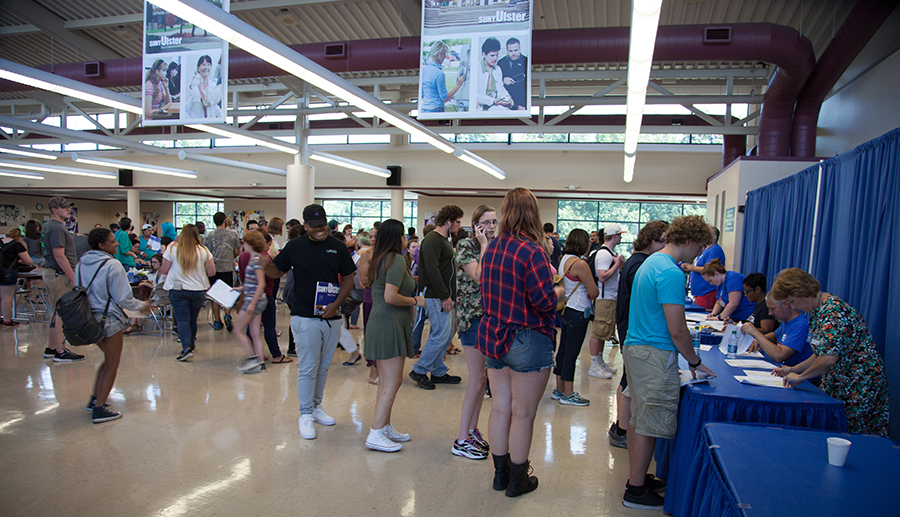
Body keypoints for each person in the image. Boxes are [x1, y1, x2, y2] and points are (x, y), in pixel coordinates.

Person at [622, 215, 716, 510]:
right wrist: (695, 360)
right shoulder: (672, 273)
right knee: (649, 423)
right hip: (655, 354)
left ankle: (637, 479)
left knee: (639, 420)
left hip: (637, 348)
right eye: (699, 247)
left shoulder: (651, 261)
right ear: (688, 240)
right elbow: (677, 328)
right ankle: (635, 491)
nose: (698, 254)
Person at [478, 188, 556, 498]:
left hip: (494, 335)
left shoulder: (494, 247)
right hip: (527, 337)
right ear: (533, 213)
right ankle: (518, 480)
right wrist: (559, 293)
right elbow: (544, 301)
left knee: (500, 409)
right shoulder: (532, 251)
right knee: (523, 414)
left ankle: (500, 475)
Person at [265, 204, 356, 440]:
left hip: (332, 316)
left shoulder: (337, 247)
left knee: (324, 367)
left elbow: (348, 279)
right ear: (305, 226)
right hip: (304, 316)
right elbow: (275, 271)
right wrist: (260, 260)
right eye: (314, 227)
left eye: (323, 226)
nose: (320, 231)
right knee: (308, 367)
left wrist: (336, 305)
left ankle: (316, 407)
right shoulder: (294, 247)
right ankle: (304, 414)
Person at [771, 268, 890, 435]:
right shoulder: (818, 312)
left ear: (801, 292)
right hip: (839, 382)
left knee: (854, 437)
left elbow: (828, 358)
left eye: (791, 301)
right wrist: (792, 369)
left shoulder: (833, 312)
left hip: (858, 385)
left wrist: (801, 377)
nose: (792, 306)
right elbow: (820, 353)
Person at [362, 219, 424, 452]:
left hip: (381, 322)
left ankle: (384, 425)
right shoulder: (396, 260)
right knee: (392, 381)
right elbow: (390, 296)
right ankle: (376, 432)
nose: (406, 239)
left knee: (386, 381)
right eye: (404, 235)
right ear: (397, 237)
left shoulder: (380, 258)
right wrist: (416, 300)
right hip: (389, 323)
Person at [77, 228, 148, 423]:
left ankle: (95, 398)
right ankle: (99, 408)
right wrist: (142, 306)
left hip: (88, 317)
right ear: (101, 245)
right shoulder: (113, 265)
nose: (117, 243)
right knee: (112, 363)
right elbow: (123, 298)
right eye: (112, 241)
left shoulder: (82, 262)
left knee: (108, 360)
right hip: (108, 318)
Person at [610, 220, 669, 449]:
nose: (664, 246)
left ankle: (621, 427)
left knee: (628, 380)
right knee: (628, 382)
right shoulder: (640, 264)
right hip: (633, 329)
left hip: (630, 327)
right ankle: (622, 430)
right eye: (660, 241)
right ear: (648, 240)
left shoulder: (639, 261)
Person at [452, 205, 498, 460]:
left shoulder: (494, 245)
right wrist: (484, 245)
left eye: (494, 222)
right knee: (476, 380)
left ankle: (471, 429)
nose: (491, 227)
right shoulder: (467, 246)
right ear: (476, 225)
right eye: (486, 223)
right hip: (472, 319)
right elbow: (481, 277)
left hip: (490, 319)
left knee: (483, 380)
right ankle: (461, 439)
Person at [409, 204, 464, 390]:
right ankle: (420, 370)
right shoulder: (433, 240)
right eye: (457, 222)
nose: (459, 226)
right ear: (448, 221)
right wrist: (444, 296)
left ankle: (438, 371)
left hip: (444, 295)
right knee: (440, 334)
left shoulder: (443, 240)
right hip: (435, 295)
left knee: (446, 334)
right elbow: (432, 271)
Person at [552, 229, 600, 407]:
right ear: (583, 244)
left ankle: (559, 389)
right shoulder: (580, 264)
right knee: (572, 353)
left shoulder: (563, 259)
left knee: (563, 350)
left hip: (565, 308)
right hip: (579, 311)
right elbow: (594, 291)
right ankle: (569, 393)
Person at [161, 224, 215, 362]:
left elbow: (164, 269)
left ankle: (186, 348)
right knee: (192, 319)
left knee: (182, 319)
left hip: (178, 289)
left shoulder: (172, 248)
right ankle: (190, 344)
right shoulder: (203, 250)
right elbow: (211, 272)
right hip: (198, 290)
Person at [41, 197, 84, 362]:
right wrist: (73, 277)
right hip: (59, 274)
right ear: (54, 209)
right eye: (64, 207)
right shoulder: (57, 228)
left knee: (55, 312)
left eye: (68, 207)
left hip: (54, 273)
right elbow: (59, 255)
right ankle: (61, 350)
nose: (68, 210)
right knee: (61, 312)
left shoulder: (51, 226)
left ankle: (52, 347)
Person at [588, 223, 626, 379]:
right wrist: (617, 264)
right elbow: (602, 276)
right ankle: (594, 364)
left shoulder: (609, 252)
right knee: (599, 331)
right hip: (605, 298)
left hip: (610, 297)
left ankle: (600, 361)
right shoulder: (604, 254)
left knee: (605, 332)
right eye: (620, 235)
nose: (621, 238)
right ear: (615, 236)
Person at [741, 291, 813, 369]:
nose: (770, 313)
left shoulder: (800, 325)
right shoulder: (786, 321)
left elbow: (779, 356)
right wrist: (760, 340)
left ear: (786, 305)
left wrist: (756, 334)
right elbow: (775, 335)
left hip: (796, 376)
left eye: (773, 309)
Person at [232, 230, 269, 374]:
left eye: (245, 243)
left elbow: (261, 284)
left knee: (237, 330)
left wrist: (252, 303)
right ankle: (259, 362)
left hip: (253, 301)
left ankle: (253, 358)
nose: (243, 245)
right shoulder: (257, 259)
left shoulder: (256, 260)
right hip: (256, 299)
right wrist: (240, 288)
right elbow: (253, 283)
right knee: (254, 332)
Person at [205, 212, 241, 331]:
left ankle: (216, 320)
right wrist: (230, 257)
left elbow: (206, 253)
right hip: (227, 267)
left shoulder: (208, 235)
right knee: (228, 293)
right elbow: (237, 251)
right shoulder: (232, 235)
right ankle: (227, 314)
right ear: (225, 220)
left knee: (214, 295)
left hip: (213, 268)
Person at [680, 227, 724, 310]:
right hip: (700, 292)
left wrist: (692, 268)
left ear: (714, 236)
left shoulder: (714, 250)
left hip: (707, 291)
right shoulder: (705, 250)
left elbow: (711, 269)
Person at [419, 40, 466, 113]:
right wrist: (458, 85)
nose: (445, 56)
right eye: (444, 54)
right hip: (435, 109)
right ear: (438, 54)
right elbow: (444, 97)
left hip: (424, 109)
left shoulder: (424, 70)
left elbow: (423, 94)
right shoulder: (439, 73)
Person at [1, 229, 35, 326]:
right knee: (7, 296)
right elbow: (29, 261)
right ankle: (7, 319)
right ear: (19, 236)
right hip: (8, 272)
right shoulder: (16, 245)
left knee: (0, 297)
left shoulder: (1, 242)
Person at [477, 37, 513, 111]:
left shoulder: (498, 69)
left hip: (496, 107)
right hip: (482, 109)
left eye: (497, 55)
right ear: (484, 54)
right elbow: (476, 95)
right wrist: (494, 101)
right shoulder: (476, 69)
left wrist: (508, 96)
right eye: (492, 55)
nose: (495, 58)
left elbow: (501, 88)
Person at [185, 55, 222, 119]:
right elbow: (185, 110)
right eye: (203, 65)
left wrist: (224, 115)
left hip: (211, 125)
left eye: (208, 65)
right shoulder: (191, 87)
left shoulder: (213, 85)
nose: (206, 67)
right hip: (196, 126)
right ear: (198, 68)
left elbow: (214, 107)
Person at [497, 37, 528, 110]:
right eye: (510, 51)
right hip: (505, 103)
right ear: (507, 50)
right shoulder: (501, 63)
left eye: (516, 50)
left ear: (519, 48)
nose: (513, 53)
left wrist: (523, 105)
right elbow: (495, 81)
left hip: (521, 103)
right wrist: (502, 80)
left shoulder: (526, 61)